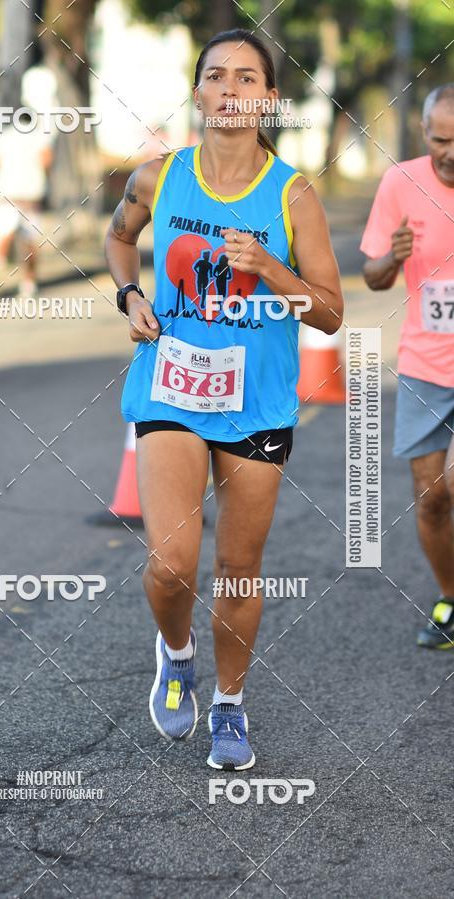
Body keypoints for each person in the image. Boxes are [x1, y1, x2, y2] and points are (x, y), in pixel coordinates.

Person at [105, 29, 343, 769]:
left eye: (248, 78)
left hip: (257, 403)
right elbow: (119, 238)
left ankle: (230, 704)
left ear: (269, 99)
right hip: (171, 385)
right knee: (172, 564)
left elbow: (331, 311)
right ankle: (176, 655)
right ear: (200, 92)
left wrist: (271, 265)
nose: (232, 89)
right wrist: (130, 292)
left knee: (238, 567)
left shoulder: (293, 192)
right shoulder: (159, 175)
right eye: (217, 76)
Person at [361, 84, 454, 649]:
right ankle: (450, 597)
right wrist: (391, 257)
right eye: (442, 139)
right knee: (433, 495)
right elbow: (373, 276)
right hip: (424, 362)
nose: (451, 151)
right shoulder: (402, 181)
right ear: (425, 134)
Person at [0, 109, 54, 296]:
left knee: (3, 236)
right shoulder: (40, 137)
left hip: (6, 194)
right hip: (31, 196)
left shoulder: (3, 137)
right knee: (30, 241)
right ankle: (28, 283)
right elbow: (46, 161)